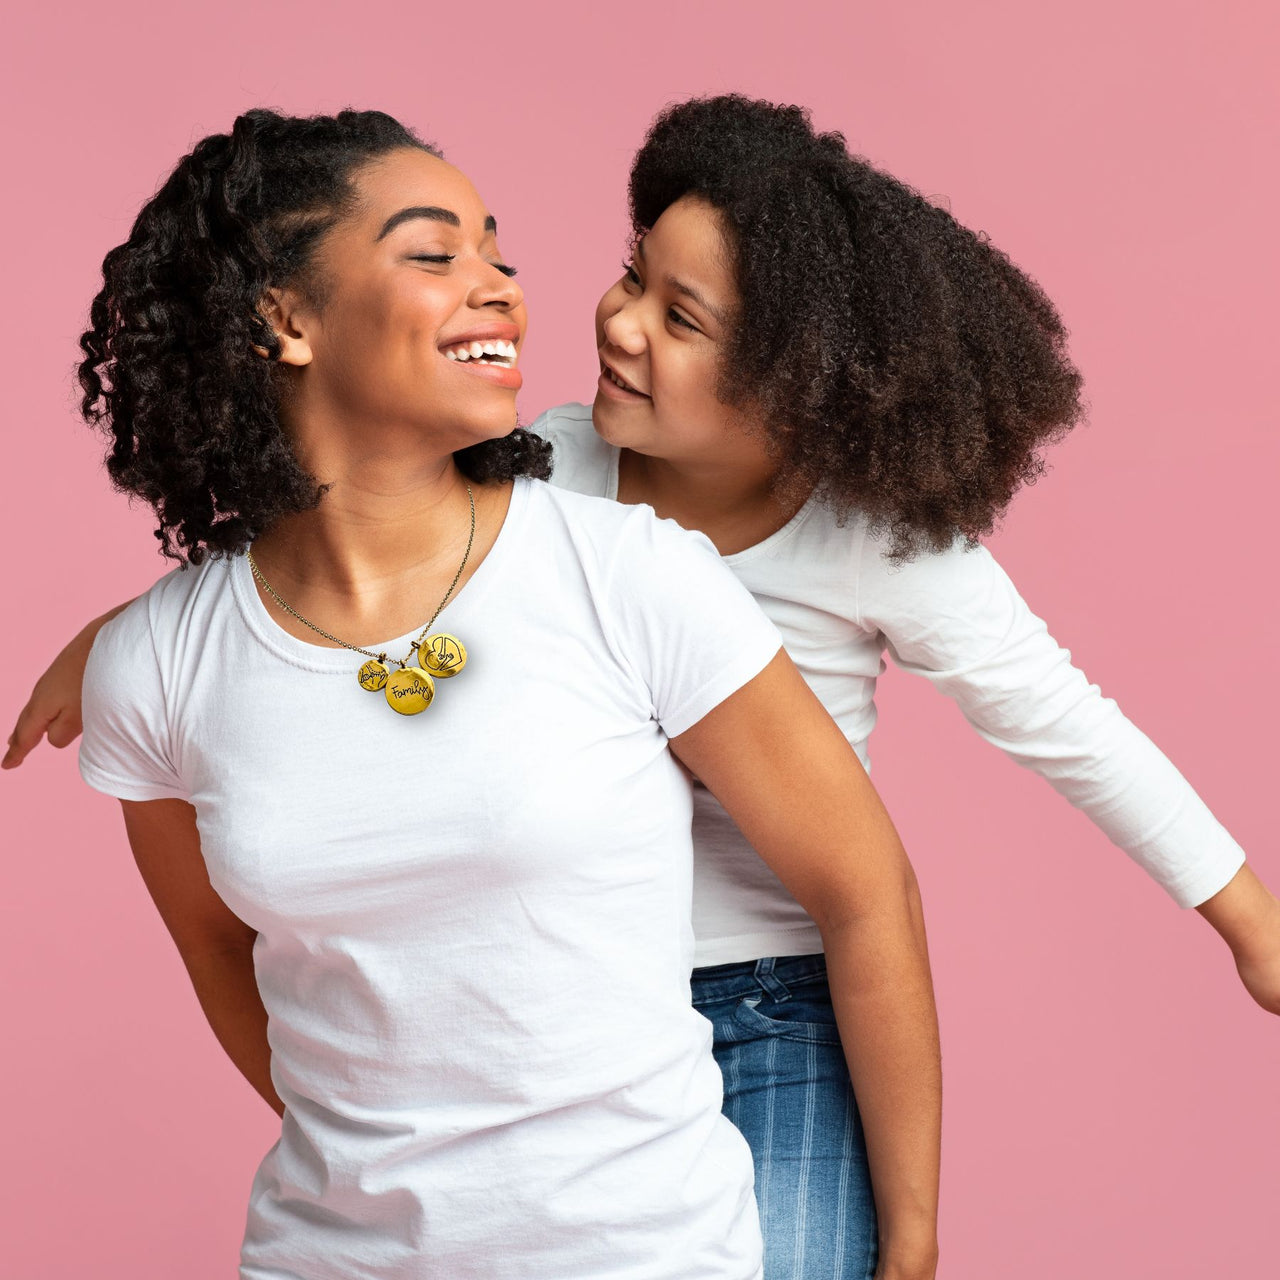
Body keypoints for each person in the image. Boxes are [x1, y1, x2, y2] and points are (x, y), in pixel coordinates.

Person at [15, 94, 1279, 1277]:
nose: (606, 318)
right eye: (631, 277)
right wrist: (132, 633)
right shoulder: (545, 460)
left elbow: (1053, 747)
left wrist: (1245, 921)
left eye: (681, 321)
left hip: (776, 992)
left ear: (803, 390)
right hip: (561, 1008)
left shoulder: (803, 552)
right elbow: (342, 529)